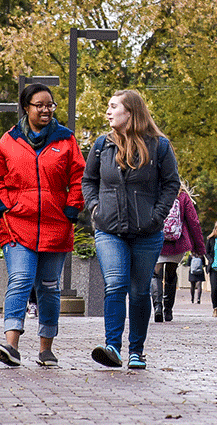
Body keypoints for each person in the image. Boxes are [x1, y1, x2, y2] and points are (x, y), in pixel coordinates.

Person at [0, 83, 85, 367]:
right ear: (26, 108)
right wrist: (5, 206)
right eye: (39, 104)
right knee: (20, 280)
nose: (45, 109)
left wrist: (71, 209)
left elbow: (79, 177)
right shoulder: (9, 140)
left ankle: (46, 348)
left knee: (49, 286)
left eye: (49, 105)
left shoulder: (66, 140)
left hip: (56, 224)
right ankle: (11, 345)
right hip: (18, 224)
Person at [83, 90, 180, 370]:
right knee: (115, 284)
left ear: (131, 112)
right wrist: (95, 208)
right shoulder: (102, 145)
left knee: (139, 292)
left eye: (114, 107)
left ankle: (136, 351)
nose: (108, 112)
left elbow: (171, 184)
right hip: (109, 229)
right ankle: (112, 346)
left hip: (147, 232)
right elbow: (88, 181)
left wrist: (157, 215)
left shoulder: (160, 147)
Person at [150, 180, 205, 322]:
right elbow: (194, 222)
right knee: (171, 275)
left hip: (157, 239)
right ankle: (168, 310)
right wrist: (199, 247)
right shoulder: (182, 196)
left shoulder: (153, 192)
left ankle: (157, 307)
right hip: (177, 242)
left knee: (156, 275)